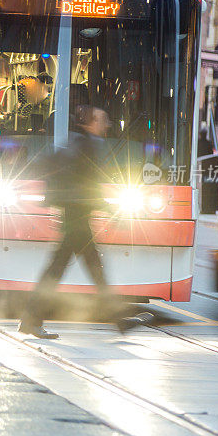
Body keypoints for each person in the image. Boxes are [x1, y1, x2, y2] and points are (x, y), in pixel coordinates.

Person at [19, 105, 150, 339]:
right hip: (76, 219)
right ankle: (31, 319)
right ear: (90, 123)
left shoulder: (80, 143)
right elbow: (85, 185)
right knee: (69, 271)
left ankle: (32, 319)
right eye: (103, 119)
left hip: (76, 217)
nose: (107, 124)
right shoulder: (86, 145)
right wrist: (109, 207)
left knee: (79, 270)